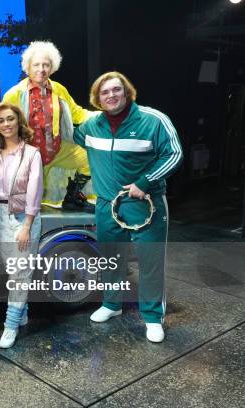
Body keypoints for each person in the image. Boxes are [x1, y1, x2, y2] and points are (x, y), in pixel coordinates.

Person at [67, 71, 183, 342]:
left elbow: (174, 153)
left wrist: (145, 181)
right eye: (104, 92)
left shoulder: (153, 120)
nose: (111, 95)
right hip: (107, 205)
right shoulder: (92, 126)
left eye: (116, 90)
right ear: (97, 98)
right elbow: (67, 134)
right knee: (111, 259)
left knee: (150, 261)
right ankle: (111, 304)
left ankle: (153, 317)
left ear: (127, 92)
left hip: (145, 203)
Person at [0, 41, 95, 212]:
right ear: (28, 67)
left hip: (56, 149)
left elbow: (77, 112)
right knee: (29, 205)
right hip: (29, 155)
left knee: (90, 160)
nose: (41, 69)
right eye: (37, 65)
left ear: (52, 67)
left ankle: (72, 197)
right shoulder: (15, 93)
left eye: (46, 65)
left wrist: (101, 115)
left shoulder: (59, 90)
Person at [0, 103, 43, 349]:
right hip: (0, 214)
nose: (6, 124)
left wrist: (27, 225)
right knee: (14, 271)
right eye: (1, 120)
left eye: (10, 119)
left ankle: (10, 326)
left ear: (19, 122)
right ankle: (22, 312)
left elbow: (35, 190)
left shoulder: (31, 153)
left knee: (20, 273)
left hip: (23, 218)